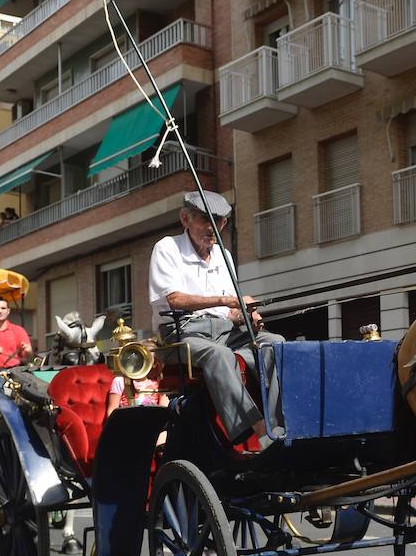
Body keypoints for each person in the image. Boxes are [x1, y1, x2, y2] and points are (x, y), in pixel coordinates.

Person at [148, 190, 283, 445]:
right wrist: (225, 301)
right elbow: (174, 299)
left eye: (218, 221)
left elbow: (231, 312)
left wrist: (247, 314)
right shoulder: (167, 248)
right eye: (204, 219)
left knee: (275, 343)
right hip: (181, 334)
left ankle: (278, 423)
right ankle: (257, 430)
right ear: (185, 219)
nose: (212, 228)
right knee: (218, 355)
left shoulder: (224, 255)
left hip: (224, 331)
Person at [105, 368, 169, 420]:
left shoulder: (158, 380)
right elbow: (112, 411)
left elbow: (164, 409)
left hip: (153, 424)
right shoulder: (119, 380)